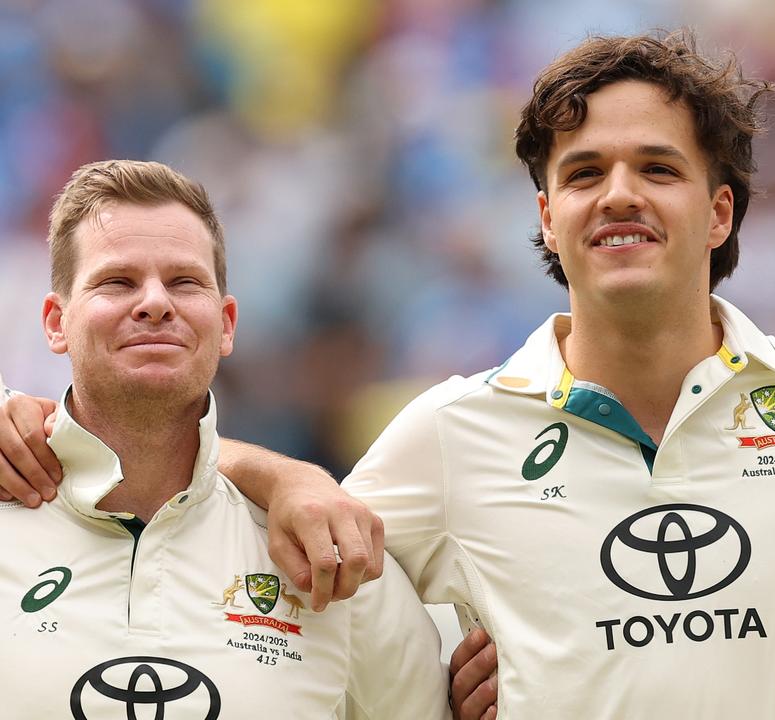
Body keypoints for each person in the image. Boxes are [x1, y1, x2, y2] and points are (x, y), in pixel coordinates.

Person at [1, 33, 775, 719]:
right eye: (582, 173)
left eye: (657, 169)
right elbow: (219, 520)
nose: (617, 193)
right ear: (546, 213)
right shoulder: (451, 432)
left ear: (718, 209)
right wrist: (282, 475)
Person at [0, 160, 450, 719]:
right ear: (54, 321)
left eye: (185, 282)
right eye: (117, 281)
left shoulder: (336, 564)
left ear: (227, 322)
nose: (155, 302)